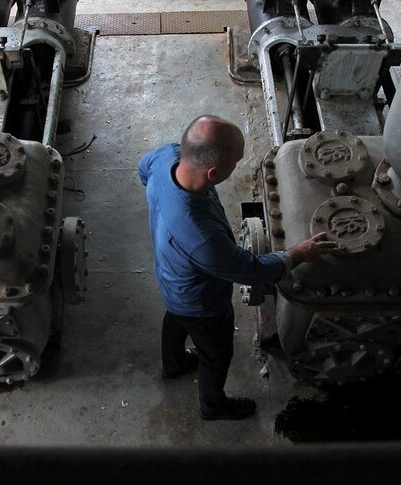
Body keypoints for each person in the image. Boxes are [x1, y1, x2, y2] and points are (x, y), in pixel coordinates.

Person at [138, 115, 337, 421]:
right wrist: (298, 253)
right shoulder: (201, 236)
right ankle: (213, 407)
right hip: (203, 303)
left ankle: (174, 365)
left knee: (175, 321)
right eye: (235, 162)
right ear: (214, 172)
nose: (238, 166)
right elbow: (250, 270)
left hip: (171, 279)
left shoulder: (165, 157)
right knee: (216, 355)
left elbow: (143, 168)